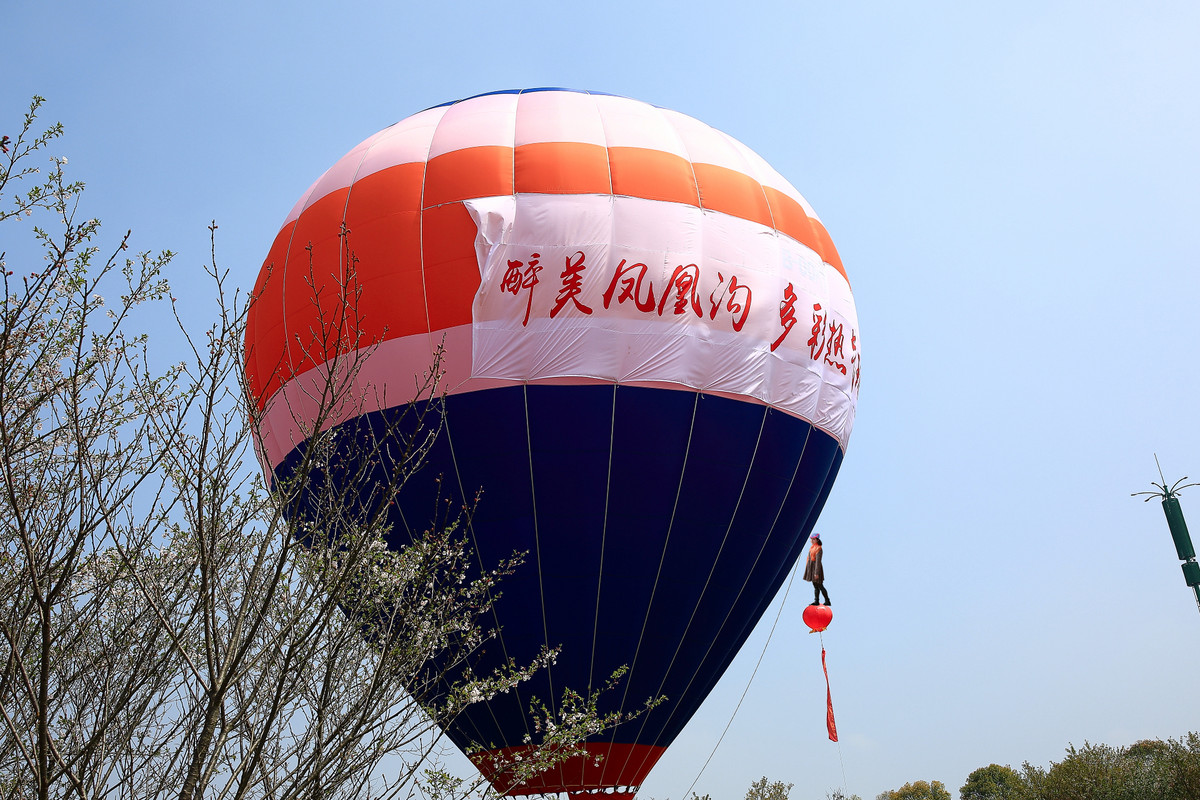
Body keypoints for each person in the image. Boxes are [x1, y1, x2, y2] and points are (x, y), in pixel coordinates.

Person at [804, 533, 830, 606]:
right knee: (815, 586)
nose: (812, 540)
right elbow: (808, 559)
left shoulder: (819, 548)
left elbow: (818, 561)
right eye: (811, 539)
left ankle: (827, 600)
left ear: (817, 540)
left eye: (813, 539)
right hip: (811, 568)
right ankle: (816, 601)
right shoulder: (812, 548)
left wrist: (816, 573)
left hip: (816, 568)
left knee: (820, 585)